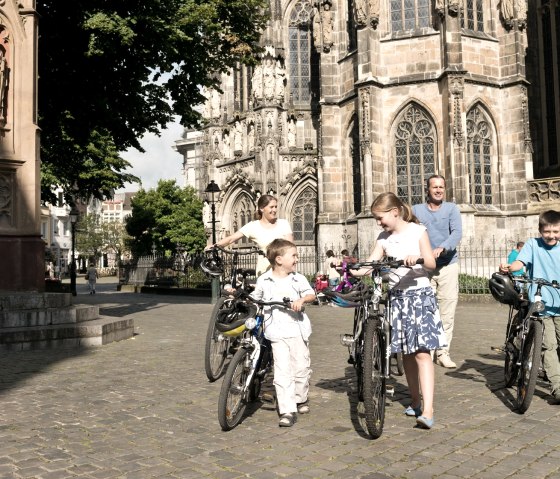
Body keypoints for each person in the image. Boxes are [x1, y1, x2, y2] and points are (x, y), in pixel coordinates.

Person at [356, 192, 446, 429]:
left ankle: (428, 410)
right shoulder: (384, 238)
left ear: (394, 212)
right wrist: (349, 269)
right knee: (406, 353)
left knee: (422, 353)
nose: (378, 222)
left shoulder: (418, 231)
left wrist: (417, 258)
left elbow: (431, 263)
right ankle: (415, 401)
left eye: (380, 218)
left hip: (419, 296)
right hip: (398, 299)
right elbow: (371, 264)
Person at [251, 239, 316, 427]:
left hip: (298, 331)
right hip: (276, 332)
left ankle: (300, 398)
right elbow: (256, 299)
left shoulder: (298, 278)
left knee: (301, 368)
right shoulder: (264, 279)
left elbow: (311, 294)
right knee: (282, 372)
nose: (297, 259)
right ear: (279, 259)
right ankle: (288, 410)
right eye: (293, 256)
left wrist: (302, 300)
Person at [499, 210, 560, 401]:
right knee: (548, 346)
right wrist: (510, 267)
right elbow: (520, 262)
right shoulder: (533, 245)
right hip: (541, 305)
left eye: (556, 231)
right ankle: (558, 387)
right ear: (540, 230)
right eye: (547, 231)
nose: (551, 235)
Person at [412, 175, 462, 369]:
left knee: (447, 311)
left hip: (448, 264)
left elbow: (456, 233)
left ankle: (443, 352)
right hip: (425, 267)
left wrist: (443, 247)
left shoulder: (452, 209)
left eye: (441, 187)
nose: (438, 190)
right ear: (428, 189)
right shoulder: (416, 210)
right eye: (435, 187)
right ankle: (428, 350)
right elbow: (411, 231)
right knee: (426, 310)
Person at [211, 195, 293, 276]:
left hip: (284, 269)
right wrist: (214, 246)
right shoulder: (253, 226)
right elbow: (231, 238)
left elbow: (290, 247)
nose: (274, 210)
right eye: (271, 207)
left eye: (276, 207)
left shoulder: (283, 223)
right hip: (264, 271)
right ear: (261, 209)